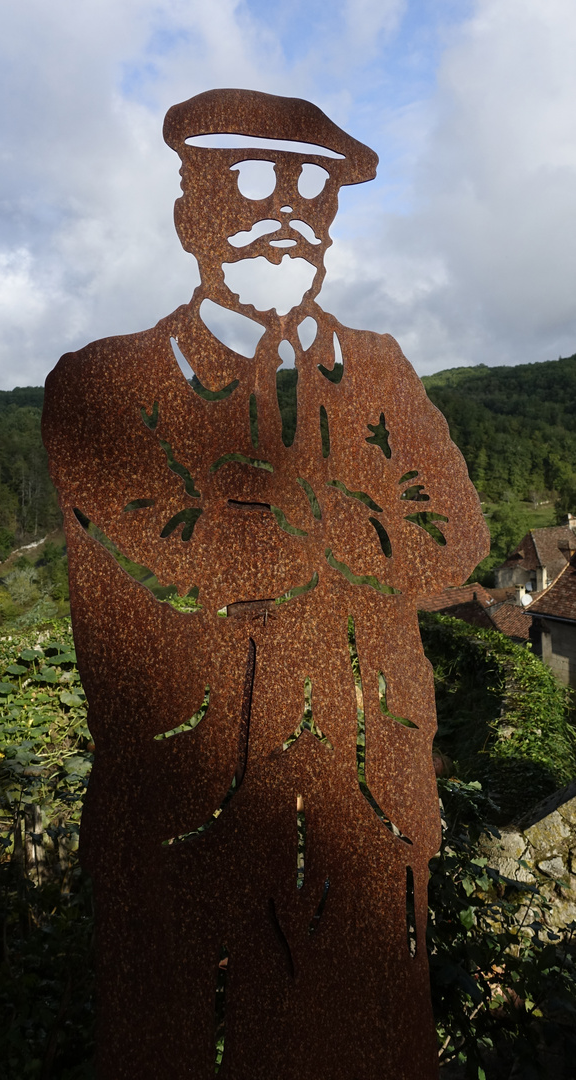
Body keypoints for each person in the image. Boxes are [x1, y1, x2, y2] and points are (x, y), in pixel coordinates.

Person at [43, 88, 488, 1080]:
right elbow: (198, 555)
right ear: (191, 210)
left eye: (313, 192)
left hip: (372, 811)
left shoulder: (380, 369)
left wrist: (286, 511)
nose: (288, 213)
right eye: (251, 185)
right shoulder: (103, 385)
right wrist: (355, 519)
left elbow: (455, 537)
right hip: (187, 822)